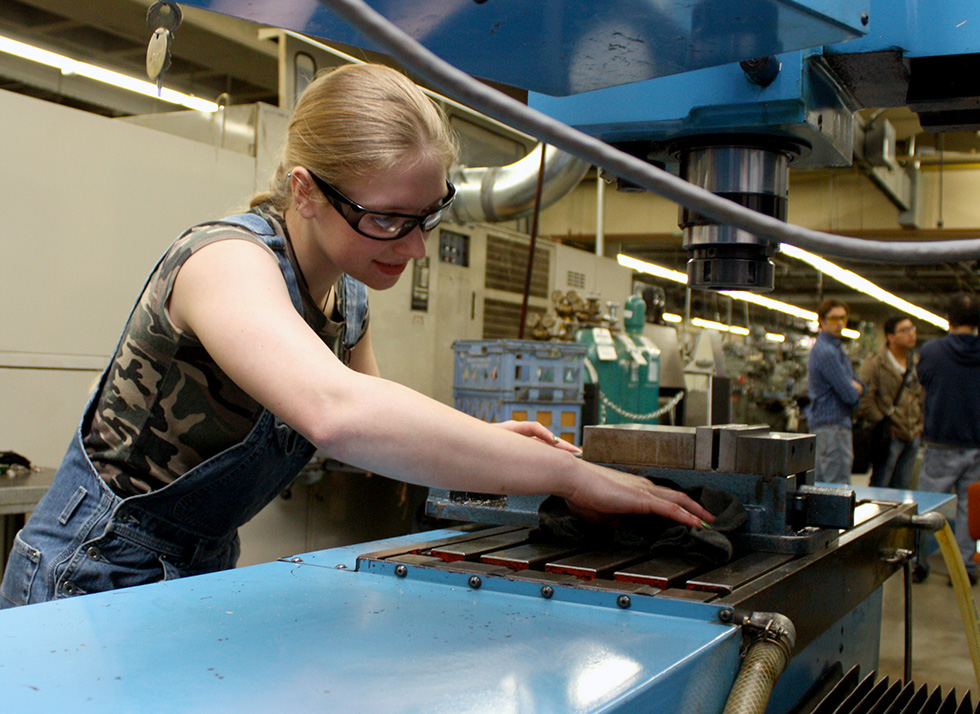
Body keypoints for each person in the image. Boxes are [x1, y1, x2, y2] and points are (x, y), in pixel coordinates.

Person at [0, 64, 714, 608]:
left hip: (194, 566)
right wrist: (570, 475)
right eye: (388, 219)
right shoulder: (223, 264)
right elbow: (335, 413)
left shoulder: (343, 301)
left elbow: (378, 426)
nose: (414, 248)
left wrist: (503, 448)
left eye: (428, 217)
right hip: (92, 572)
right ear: (305, 192)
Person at [914, 293, 980, 585]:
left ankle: (919, 562)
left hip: (941, 440)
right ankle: (963, 569)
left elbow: (923, 380)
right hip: (979, 442)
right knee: (968, 509)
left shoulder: (932, 351)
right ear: (979, 321)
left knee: (928, 506)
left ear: (948, 319)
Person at [857, 315, 923, 489]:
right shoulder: (876, 364)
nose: (911, 334)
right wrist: (882, 423)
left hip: (912, 435)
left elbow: (922, 396)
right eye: (904, 330)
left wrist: (919, 426)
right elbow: (865, 397)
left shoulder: (916, 363)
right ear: (891, 337)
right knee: (881, 485)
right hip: (889, 437)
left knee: (903, 486)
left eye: (912, 329)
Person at [807, 298, 864, 485]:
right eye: (833, 318)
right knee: (837, 487)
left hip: (831, 427)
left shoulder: (835, 348)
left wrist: (855, 387)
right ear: (822, 321)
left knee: (825, 485)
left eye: (843, 318)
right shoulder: (827, 352)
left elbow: (857, 384)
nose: (840, 323)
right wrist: (855, 389)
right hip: (833, 429)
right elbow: (850, 393)